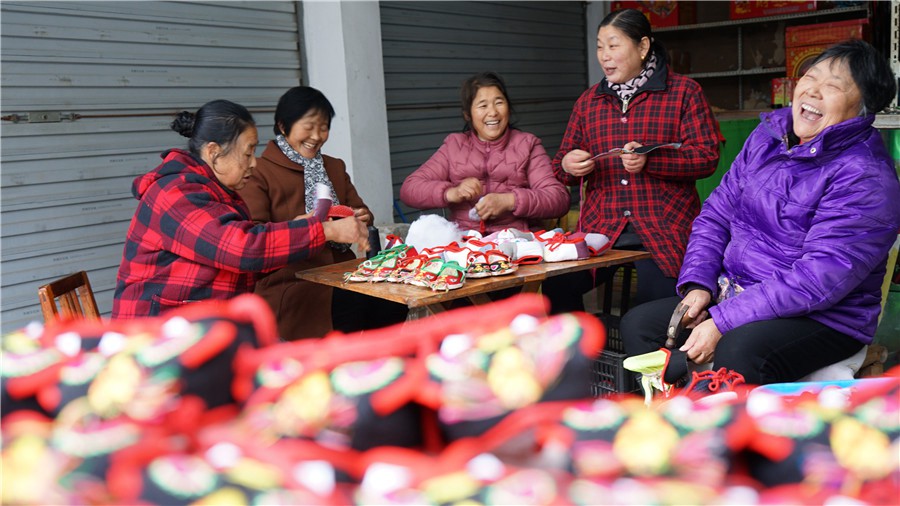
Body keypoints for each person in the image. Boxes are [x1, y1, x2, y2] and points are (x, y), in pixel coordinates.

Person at [621, 39, 900, 385]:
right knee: (639, 325)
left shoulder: (865, 175)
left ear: (863, 107)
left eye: (833, 87)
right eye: (811, 78)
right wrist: (699, 284)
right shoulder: (768, 138)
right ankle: (672, 425)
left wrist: (723, 322)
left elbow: (816, 279)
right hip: (736, 292)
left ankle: (730, 434)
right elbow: (716, 215)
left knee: (738, 352)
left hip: (825, 318)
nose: (813, 92)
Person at [112, 99, 369, 320]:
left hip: (201, 325)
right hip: (157, 337)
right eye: (247, 153)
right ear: (213, 152)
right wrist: (323, 231)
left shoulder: (214, 191)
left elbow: (247, 254)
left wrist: (303, 226)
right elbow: (242, 249)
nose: (254, 163)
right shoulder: (175, 193)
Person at [546, 8, 720, 313]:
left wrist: (651, 160)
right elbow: (559, 166)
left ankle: (642, 357)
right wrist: (567, 166)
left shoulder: (683, 93)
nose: (604, 56)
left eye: (613, 46)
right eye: (600, 46)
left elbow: (706, 158)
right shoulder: (589, 103)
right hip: (603, 228)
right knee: (557, 286)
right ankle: (582, 354)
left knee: (651, 308)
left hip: (665, 228)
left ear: (642, 47)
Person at [239, 86, 406, 339]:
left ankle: (371, 363)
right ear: (283, 126)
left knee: (394, 299)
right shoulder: (260, 171)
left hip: (345, 272)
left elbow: (362, 210)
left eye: (324, 127)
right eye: (309, 126)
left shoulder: (334, 166)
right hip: (294, 281)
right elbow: (256, 234)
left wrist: (360, 216)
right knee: (351, 303)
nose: (317, 136)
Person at [399, 71, 569, 235]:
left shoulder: (527, 144)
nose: (493, 112)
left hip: (518, 242)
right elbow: (409, 189)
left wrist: (510, 201)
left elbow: (558, 199)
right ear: (468, 114)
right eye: (483, 105)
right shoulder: (454, 146)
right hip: (465, 243)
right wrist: (452, 192)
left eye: (499, 102)